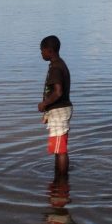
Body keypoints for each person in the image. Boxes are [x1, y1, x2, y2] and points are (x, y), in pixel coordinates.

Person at [38, 35, 72, 177]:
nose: (41, 53)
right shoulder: (58, 64)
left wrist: (44, 103)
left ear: (50, 50)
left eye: (42, 50)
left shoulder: (56, 68)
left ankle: (61, 182)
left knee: (61, 150)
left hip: (59, 111)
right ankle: (60, 179)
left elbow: (58, 92)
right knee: (59, 148)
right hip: (60, 110)